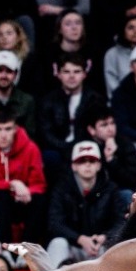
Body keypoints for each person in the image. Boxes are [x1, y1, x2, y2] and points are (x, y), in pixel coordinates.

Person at [0, 106, 47, 244]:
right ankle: (4, 248)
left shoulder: (31, 148)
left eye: (8, 129)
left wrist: (27, 192)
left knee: (39, 200)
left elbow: (39, 184)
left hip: (22, 199)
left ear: (16, 129)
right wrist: (13, 184)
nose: (3, 135)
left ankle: (27, 248)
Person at [46, 141, 126, 265]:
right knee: (58, 243)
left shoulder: (111, 189)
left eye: (92, 161)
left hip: (100, 248)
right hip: (73, 247)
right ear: (74, 166)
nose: (87, 165)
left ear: (99, 165)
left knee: (117, 246)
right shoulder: (62, 189)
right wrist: (80, 239)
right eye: (82, 161)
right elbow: (54, 223)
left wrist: (105, 237)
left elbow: (121, 222)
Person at [36, 51, 107, 182]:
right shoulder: (48, 100)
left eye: (77, 71)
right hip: (58, 148)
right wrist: (66, 147)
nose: (72, 76)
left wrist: (78, 147)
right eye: (66, 72)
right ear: (58, 74)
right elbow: (46, 133)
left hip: (87, 146)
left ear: (84, 74)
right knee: (50, 156)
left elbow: (99, 129)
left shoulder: (95, 99)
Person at [81, 106, 136, 198]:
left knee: (127, 194)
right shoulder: (84, 148)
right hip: (94, 194)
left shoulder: (125, 144)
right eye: (104, 125)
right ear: (91, 130)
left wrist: (111, 160)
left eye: (112, 123)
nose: (110, 129)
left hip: (119, 192)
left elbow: (132, 180)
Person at [0, 18, 41, 96]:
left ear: (18, 36)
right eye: (0, 34)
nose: (4, 37)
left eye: (9, 33)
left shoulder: (30, 60)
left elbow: (36, 90)